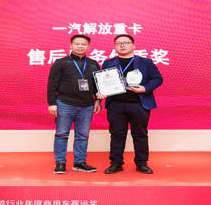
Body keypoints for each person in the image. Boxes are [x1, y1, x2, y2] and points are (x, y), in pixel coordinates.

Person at [99, 34, 163, 175]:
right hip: (116, 104)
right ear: (115, 46)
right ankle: (116, 164)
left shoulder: (146, 62)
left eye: (126, 42)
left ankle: (142, 163)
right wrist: (101, 93)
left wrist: (145, 88)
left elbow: (158, 79)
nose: (122, 45)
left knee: (140, 134)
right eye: (119, 43)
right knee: (117, 134)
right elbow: (103, 81)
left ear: (133, 45)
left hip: (139, 104)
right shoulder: (108, 63)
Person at [47, 34, 101, 174]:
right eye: (77, 44)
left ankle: (79, 162)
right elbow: (52, 85)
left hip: (87, 105)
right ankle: (60, 162)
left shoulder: (93, 63)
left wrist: (98, 100)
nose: (80, 46)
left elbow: (97, 85)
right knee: (61, 134)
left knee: (83, 135)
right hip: (65, 103)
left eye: (83, 44)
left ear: (88, 47)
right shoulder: (61, 63)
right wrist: (52, 103)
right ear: (71, 45)